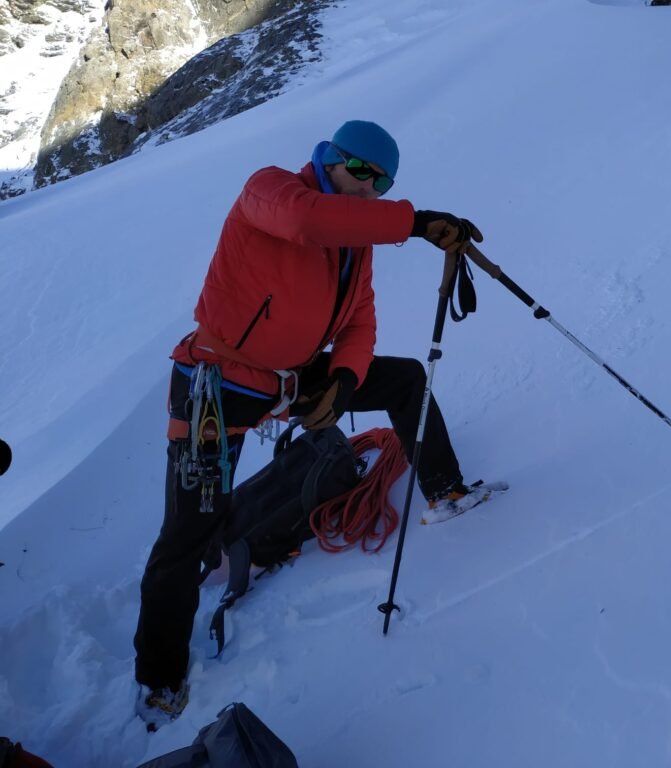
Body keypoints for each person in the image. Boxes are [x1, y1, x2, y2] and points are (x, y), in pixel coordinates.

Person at [133, 120, 489, 729]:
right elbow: (306, 221)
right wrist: (414, 221)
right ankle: (160, 677)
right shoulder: (269, 191)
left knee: (402, 379)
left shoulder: (359, 242)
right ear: (330, 159)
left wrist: (346, 381)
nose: (369, 189)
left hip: (295, 380)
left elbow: (360, 323)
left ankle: (446, 490)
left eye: (384, 182)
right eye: (362, 173)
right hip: (218, 387)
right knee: (187, 531)